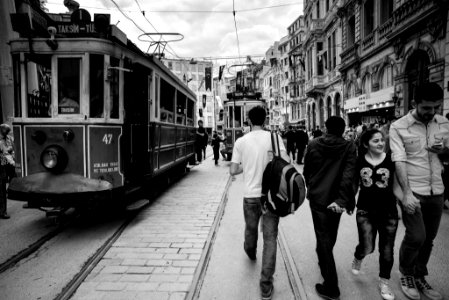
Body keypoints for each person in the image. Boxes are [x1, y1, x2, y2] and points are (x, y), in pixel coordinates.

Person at [389, 82, 447, 300]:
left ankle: (419, 274)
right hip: (413, 190)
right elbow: (399, 160)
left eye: (435, 107)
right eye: (426, 108)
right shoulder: (399, 126)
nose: (431, 112)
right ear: (414, 104)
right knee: (416, 236)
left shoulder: (443, 123)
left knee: (429, 239)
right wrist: (407, 194)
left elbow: (448, 156)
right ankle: (406, 273)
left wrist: (445, 151)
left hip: (437, 191)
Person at [230, 106, 289, 300]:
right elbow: (286, 162)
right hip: (271, 196)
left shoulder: (241, 141)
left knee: (251, 229)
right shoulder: (274, 138)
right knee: (270, 239)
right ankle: (265, 286)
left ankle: (250, 250)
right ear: (265, 120)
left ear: (248, 120)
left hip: (250, 195)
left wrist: (247, 168)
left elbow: (233, 170)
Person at [303, 116, 357, 300]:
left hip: (318, 197)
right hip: (336, 199)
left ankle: (331, 287)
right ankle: (324, 259)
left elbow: (306, 169)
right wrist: (342, 200)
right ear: (343, 130)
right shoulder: (349, 146)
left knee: (323, 237)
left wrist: (312, 185)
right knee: (330, 234)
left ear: (326, 127)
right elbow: (349, 176)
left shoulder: (313, 144)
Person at [351, 129, 398, 300]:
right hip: (365, 210)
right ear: (366, 144)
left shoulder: (391, 160)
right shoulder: (359, 161)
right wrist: (348, 202)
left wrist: (406, 200)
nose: (380, 143)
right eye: (375, 141)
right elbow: (354, 185)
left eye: (381, 140)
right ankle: (358, 256)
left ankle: (384, 283)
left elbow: (397, 185)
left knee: (387, 250)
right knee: (367, 246)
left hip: (389, 212)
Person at [0, 124, 15, 219]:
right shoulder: (0, 141)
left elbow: (11, 149)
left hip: (4, 163)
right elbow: (5, 154)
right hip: (2, 163)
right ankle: (2, 212)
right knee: (1, 189)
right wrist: (12, 162)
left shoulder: (8, 138)